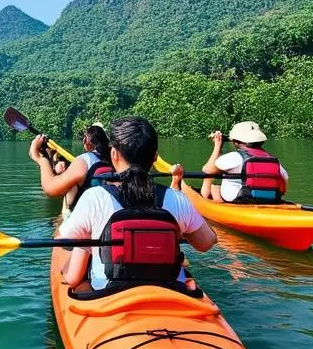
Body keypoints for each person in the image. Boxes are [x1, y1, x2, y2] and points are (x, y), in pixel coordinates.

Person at [56, 116, 216, 293]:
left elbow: (63, 239)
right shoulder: (178, 199)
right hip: (170, 293)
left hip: (109, 295)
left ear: (114, 154)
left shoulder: (94, 197)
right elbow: (207, 242)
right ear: (155, 157)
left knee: (79, 277)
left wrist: (86, 240)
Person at [29, 123, 115, 215]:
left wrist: (40, 159)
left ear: (87, 141)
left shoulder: (84, 160)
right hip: (112, 211)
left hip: (90, 216)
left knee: (72, 187)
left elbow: (50, 188)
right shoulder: (114, 159)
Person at [200, 121, 288, 204]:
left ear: (236, 142)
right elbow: (283, 187)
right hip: (270, 200)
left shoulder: (234, 157)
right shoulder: (274, 161)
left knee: (212, 185)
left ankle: (207, 206)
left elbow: (207, 170)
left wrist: (217, 146)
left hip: (241, 200)